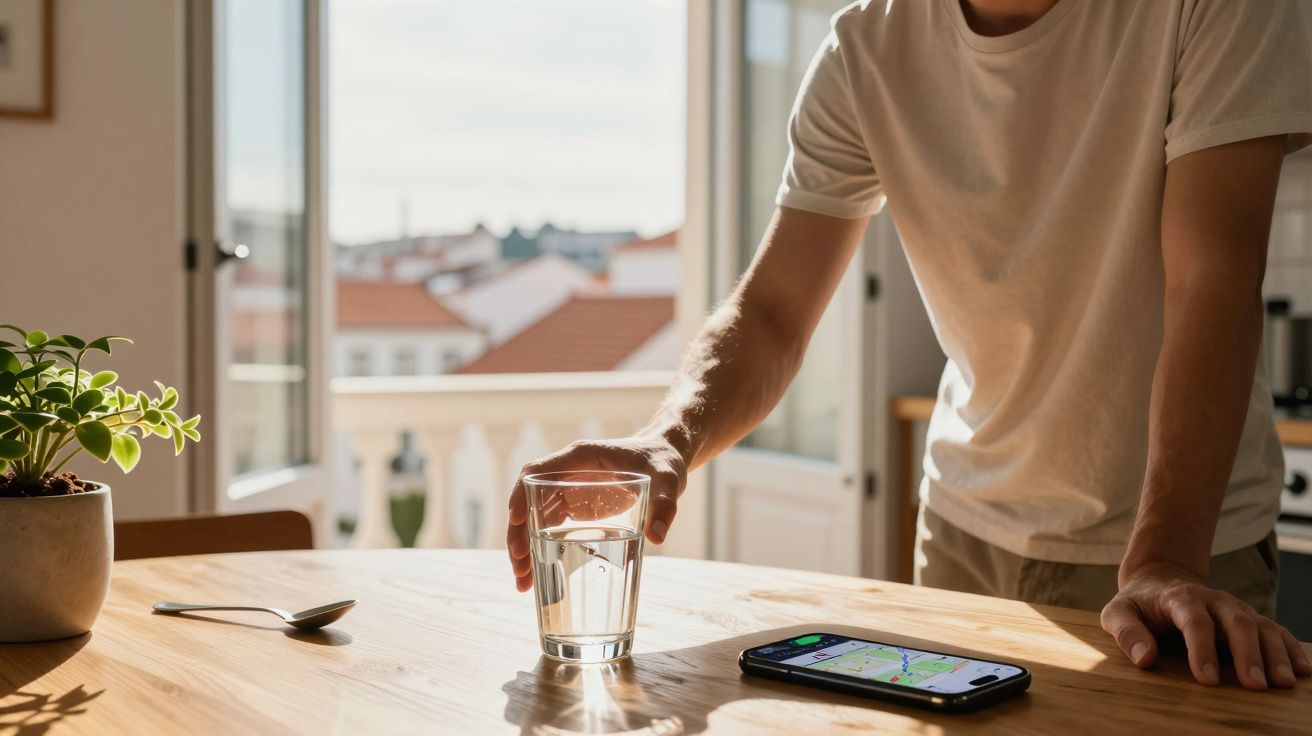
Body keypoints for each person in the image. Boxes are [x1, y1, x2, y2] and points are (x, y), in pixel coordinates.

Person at [507, 0, 1312, 690]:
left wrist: (1165, 559)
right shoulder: (866, 49)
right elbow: (775, 314)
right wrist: (665, 441)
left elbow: (1209, 279)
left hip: (1180, 548)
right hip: (964, 531)